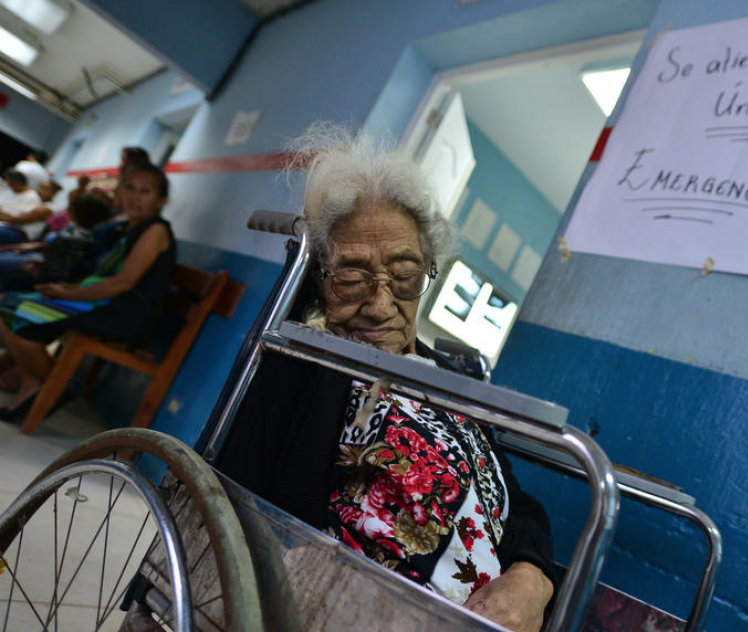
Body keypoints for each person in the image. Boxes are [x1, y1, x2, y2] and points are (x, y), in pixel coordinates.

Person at [218, 125, 554, 632]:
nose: (379, 305)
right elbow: (247, 511)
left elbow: (517, 502)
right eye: (352, 275)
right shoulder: (301, 363)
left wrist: (532, 580)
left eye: (404, 276)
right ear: (320, 278)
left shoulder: (446, 380)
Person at [0, 163, 176, 420]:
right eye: (129, 188)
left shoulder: (155, 231)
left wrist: (67, 294)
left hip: (123, 314)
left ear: (161, 200)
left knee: (18, 309)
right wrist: (64, 288)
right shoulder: (128, 227)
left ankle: (47, 386)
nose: (135, 196)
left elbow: (122, 283)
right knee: (9, 302)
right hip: (103, 303)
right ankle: (32, 380)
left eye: (145, 191)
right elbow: (100, 276)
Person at [0, 170, 45, 244]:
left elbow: (19, 219)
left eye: (9, 183)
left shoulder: (32, 197)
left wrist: (4, 216)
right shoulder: (17, 194)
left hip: (17, 231)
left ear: (16, 182)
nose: (9, 185)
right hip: (6, 226)